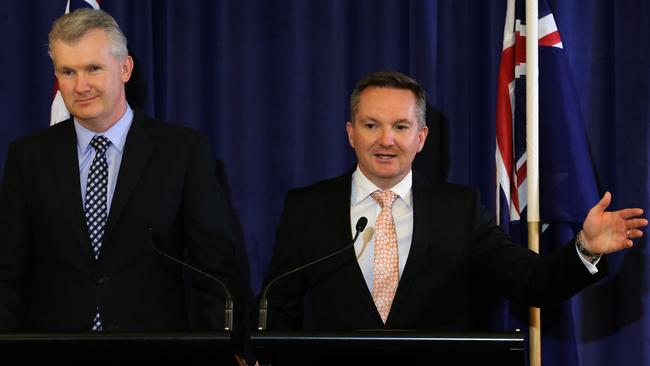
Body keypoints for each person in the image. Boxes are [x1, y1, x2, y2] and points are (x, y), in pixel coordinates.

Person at [261, 70, 647, 330]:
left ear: (421, 137)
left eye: (400, 126)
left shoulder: (459, 209)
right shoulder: (306, 208)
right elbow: (276, 308)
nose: (386, 140)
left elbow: (533, 283)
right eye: (371, 125)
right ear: (351, 133)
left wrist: (585, 248)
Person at [0, 8, 246, 335]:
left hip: (153, 350)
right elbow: (8, 274)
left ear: (125, 68)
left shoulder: (181, 152)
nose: (81, 85)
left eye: (93, 69)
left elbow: (215, 273)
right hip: (55, 349)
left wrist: (224, 347)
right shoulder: (28, 157)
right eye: (67, 72)